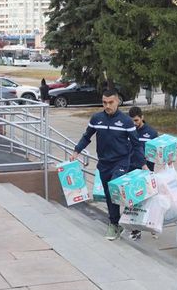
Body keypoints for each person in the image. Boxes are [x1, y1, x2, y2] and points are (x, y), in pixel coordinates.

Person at [70, 89, 146, 241]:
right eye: (104, 102)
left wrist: (143, 164)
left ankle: (125, 220)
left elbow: (137, 144)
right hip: (104, 162)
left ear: (117, 101)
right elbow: (87, 136)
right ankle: (115, 223)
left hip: (121, 161)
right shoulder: (97, 118)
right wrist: (76, 151)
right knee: (110, 195)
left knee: (114, 186)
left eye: (110, 102)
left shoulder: (125, 121)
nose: (107, 106)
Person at [128, 106, 159, 241]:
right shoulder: (128, 130)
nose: (134, 124)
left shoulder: (151, 133)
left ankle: (152, 225)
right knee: (134, 201)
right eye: (132, 121)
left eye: (136, 120)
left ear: (142, 117)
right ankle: (136, 230)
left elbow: (157, 152)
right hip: (131, 170)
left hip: (146, 171)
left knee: (148, 201)